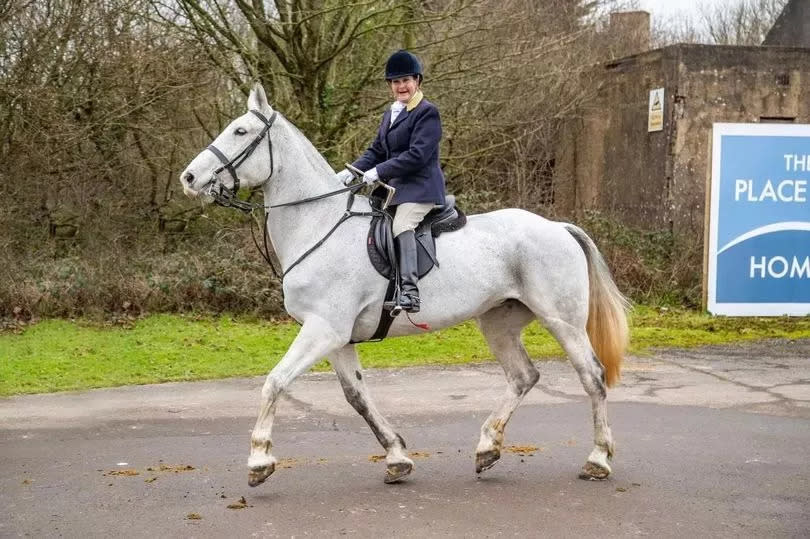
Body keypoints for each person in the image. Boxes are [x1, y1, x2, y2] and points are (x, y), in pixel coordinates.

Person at [335, 50, 447, 314]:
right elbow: (376, 150)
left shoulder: (427, 112)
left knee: (401, 224)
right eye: (396, 82)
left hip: (420, 188)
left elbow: (417, 155)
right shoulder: (391, 114)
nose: (401, 86)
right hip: (395, 190)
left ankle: (410, 292)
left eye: (406, 80)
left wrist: (379, 172)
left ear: (417, 81)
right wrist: (351, 171)